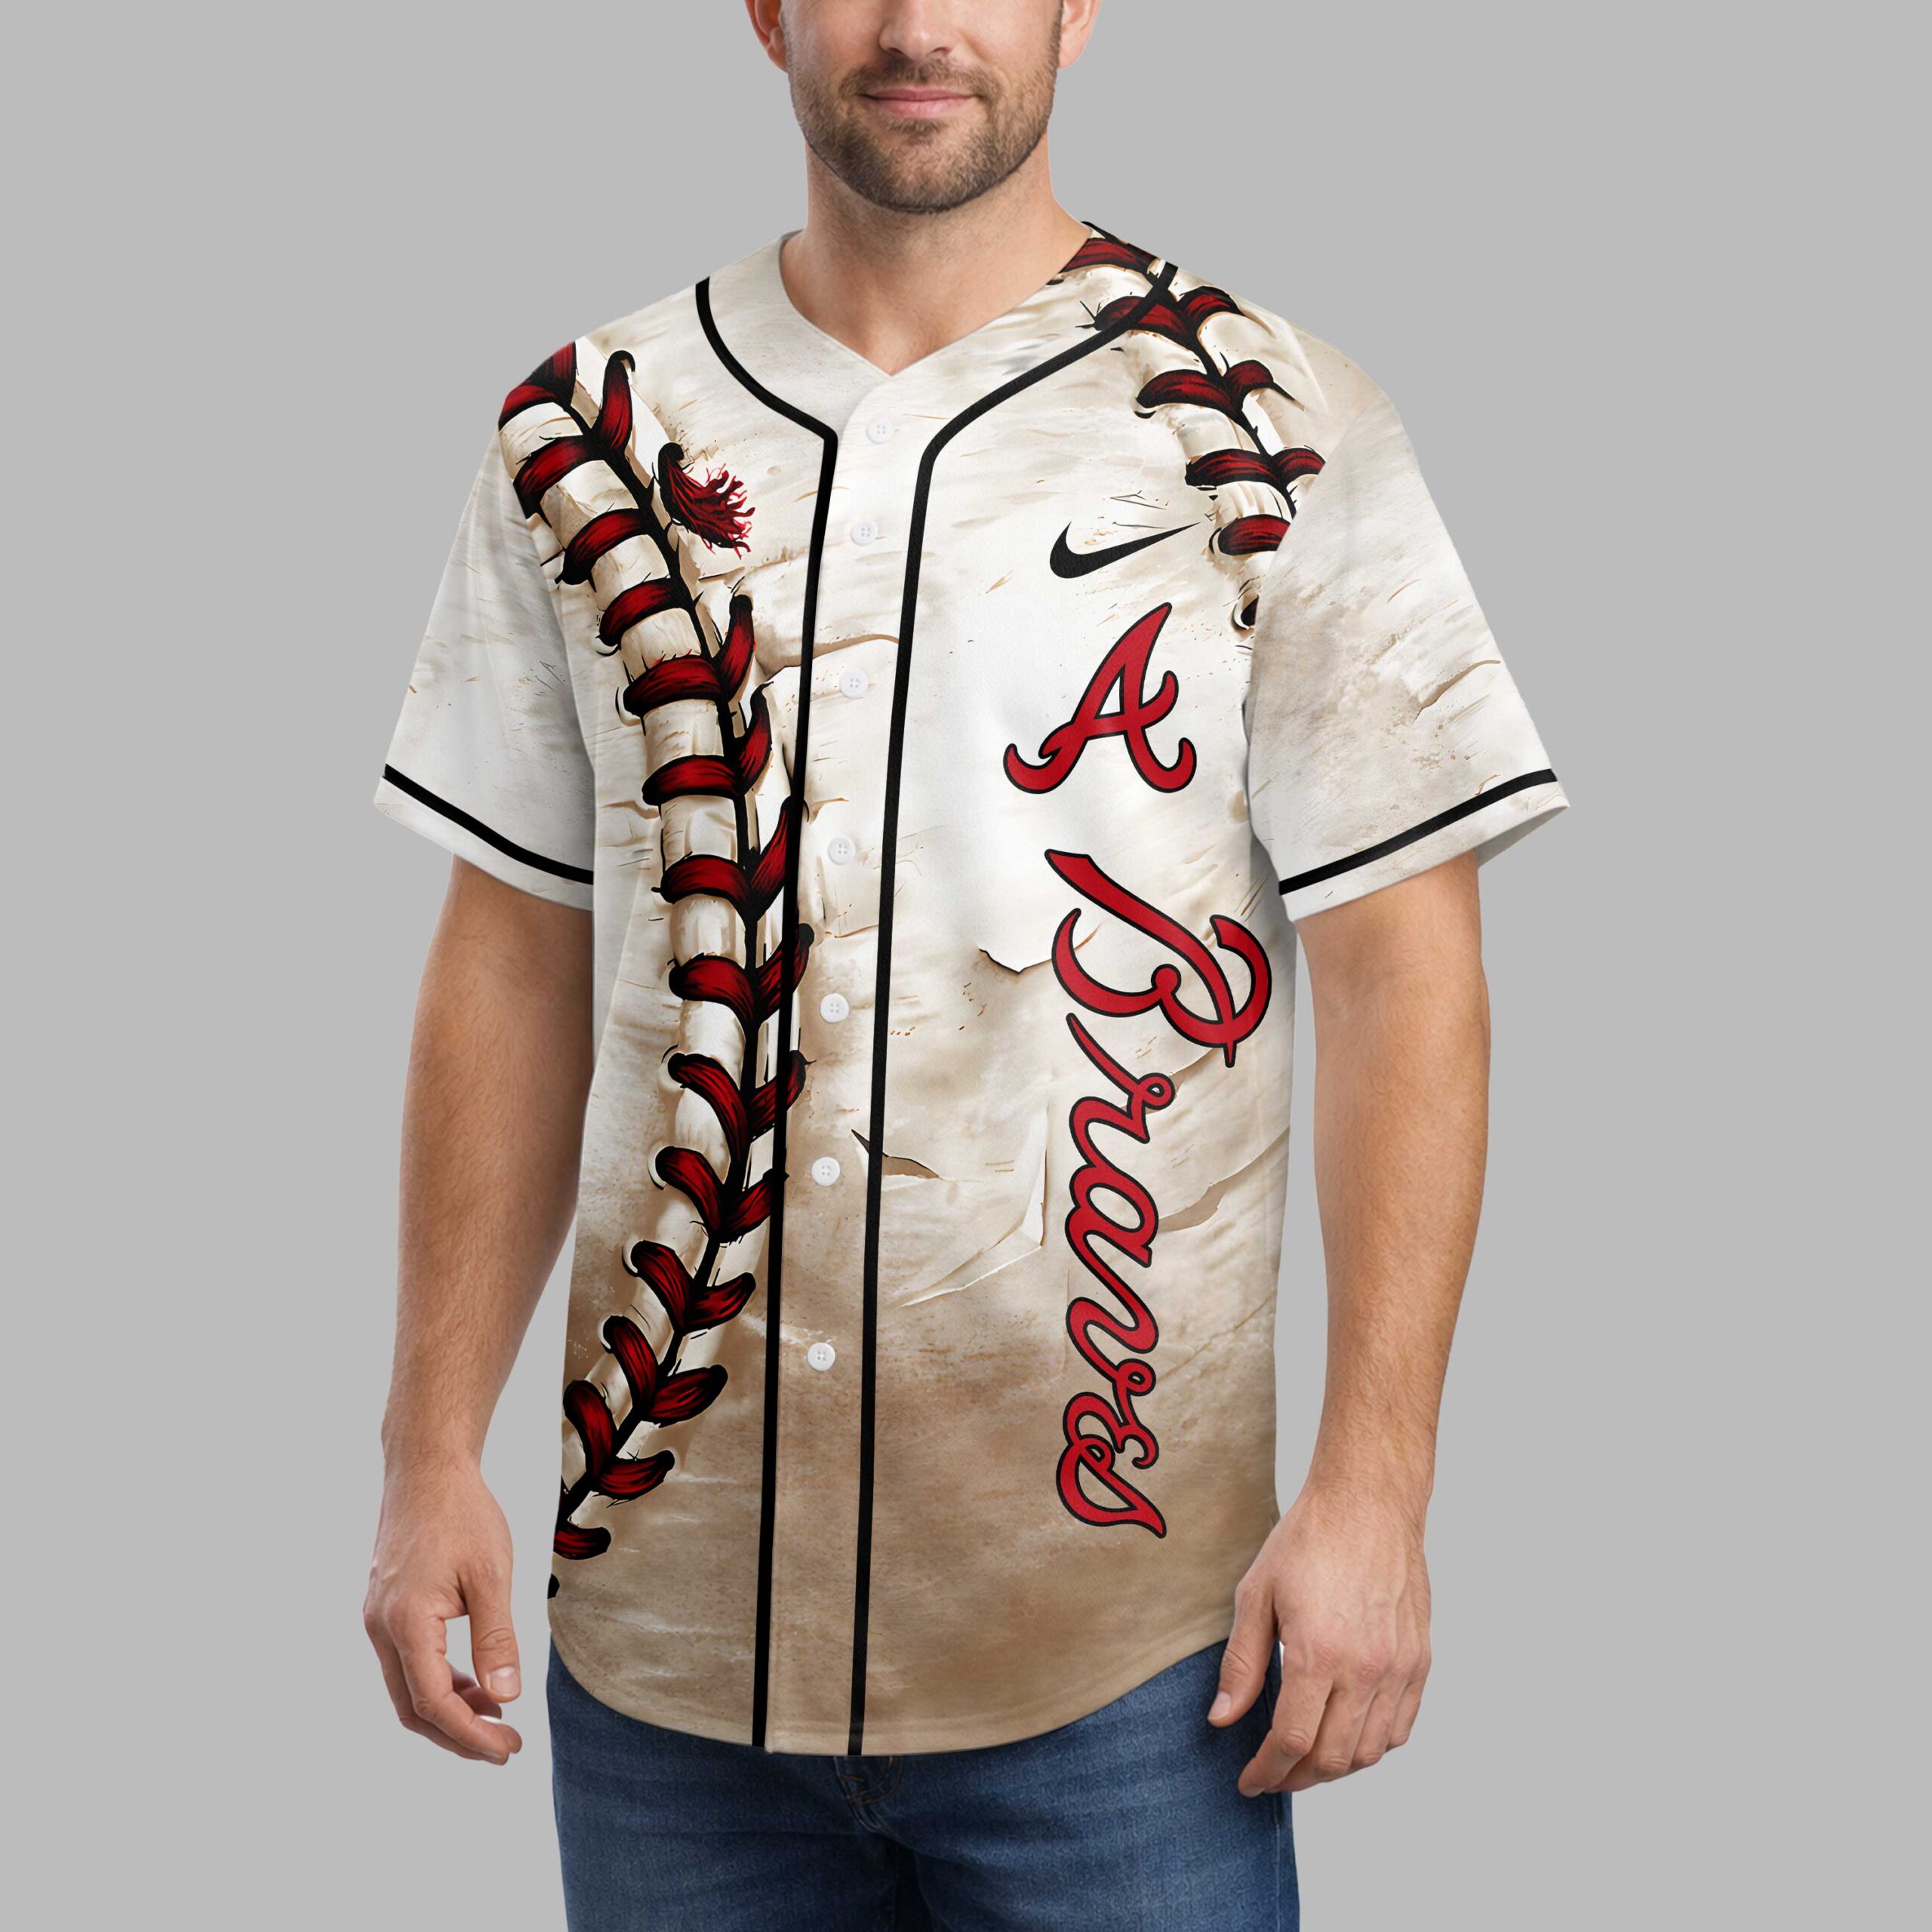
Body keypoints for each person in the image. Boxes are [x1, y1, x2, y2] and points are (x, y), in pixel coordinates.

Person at [362, 2, 1567, 1925]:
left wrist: (1375, 1491)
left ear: (1078, 9)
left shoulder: (1273, 422)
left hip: (1124, 1648)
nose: (918, 25)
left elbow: (1403, 972)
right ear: (765, 12)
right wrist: (428, 1451)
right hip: (667, 1644)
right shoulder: (586, 428)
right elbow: (510, 953)